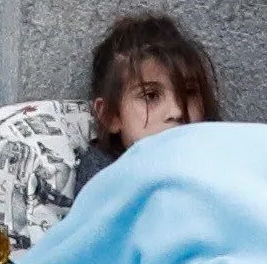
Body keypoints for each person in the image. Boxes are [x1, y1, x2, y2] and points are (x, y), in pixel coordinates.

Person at [82, 13, 220, 191]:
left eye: (189, 92)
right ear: (111, 116)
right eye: (151, 96)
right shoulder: (103, 178)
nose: (177, 111)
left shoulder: (219, 158)